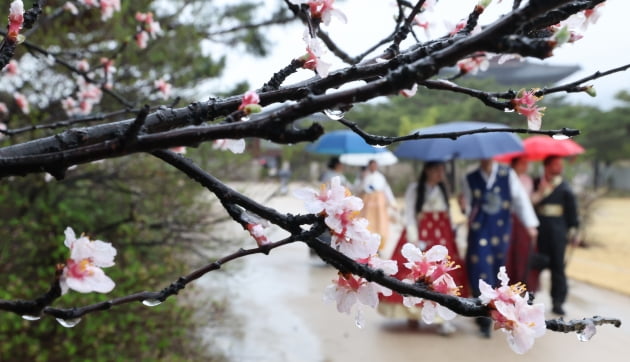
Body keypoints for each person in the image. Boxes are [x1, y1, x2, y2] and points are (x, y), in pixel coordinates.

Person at [378, 162, 468, 335]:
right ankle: (412, 314)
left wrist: (453, 231)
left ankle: (443, 318)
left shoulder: (443, 189)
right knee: (415, 275)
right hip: (422, 235)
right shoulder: (415, 189)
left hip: (441, 236)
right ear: (427, 170)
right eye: (436, 170)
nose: (439, 173)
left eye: (441, 170)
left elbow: (448, 214)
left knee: (444, 277)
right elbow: (410, 214)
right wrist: (414, 238)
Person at [461, 158, 539, 338]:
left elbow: (520, 200)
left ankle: (494, 311)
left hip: (500, 230)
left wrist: (530, 224)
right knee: (480, 271)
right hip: (479, 231)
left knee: (498, 272)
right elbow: (469, 207)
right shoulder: (470, 178)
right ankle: (483, 319)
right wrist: (464, 207)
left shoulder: (507, 174)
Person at [531, 156, 579, 316]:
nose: (560, 167)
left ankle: (558, 301)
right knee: (534, 264)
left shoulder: (565, 187)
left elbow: (572, 212)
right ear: (547, 165)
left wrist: (574, 231)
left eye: (561, 164)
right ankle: (528, 296)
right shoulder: (536, 183)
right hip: (539, 229)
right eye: (556, 164)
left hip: (558, 232)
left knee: (558, 267)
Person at [505, 156, 537, 286]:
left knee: (522, 254)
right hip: (510, 219)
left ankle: (521, 283)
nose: (525, 166)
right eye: (522, 163)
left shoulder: (527, 180)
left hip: (522, 221)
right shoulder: (507, 176)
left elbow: (526, 202)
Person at [358, 160, 397, 250]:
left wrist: (392, 202)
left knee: (380, 225)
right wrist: (362, 179)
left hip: (379, 204)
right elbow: (359, 188)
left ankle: (378, 246)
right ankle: (365, 245)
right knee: (366, 224)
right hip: (367, 203)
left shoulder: (380, 177)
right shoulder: (364, 176)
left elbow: (386, 189)